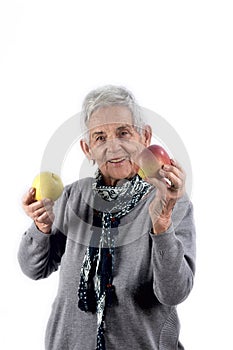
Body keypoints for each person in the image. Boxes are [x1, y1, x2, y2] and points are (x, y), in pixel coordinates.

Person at [18, 85, 196, 350]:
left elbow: (174, 292)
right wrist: (41, 227)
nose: (113, 146)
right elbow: (33, 268)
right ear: (87, 148)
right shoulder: (72, 197)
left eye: (123, 132)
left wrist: (162, 226)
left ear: (145, 136)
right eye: (100, 137)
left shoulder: (171, 201)